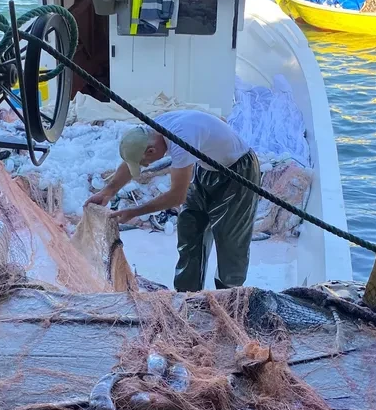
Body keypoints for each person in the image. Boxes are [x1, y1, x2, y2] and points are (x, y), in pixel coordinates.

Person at [86, 110, 259, 292]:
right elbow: (132, 160)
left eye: (145, 163)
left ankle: (230, 298)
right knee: (190, 226)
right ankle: (187, 295)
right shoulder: (150, 130)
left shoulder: (180, 141)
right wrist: (108, 191)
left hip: (238, 171)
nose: (146, 167)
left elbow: (177, 196)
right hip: (208, 167)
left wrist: (134, 212)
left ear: (151, 151)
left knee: (230, 239)